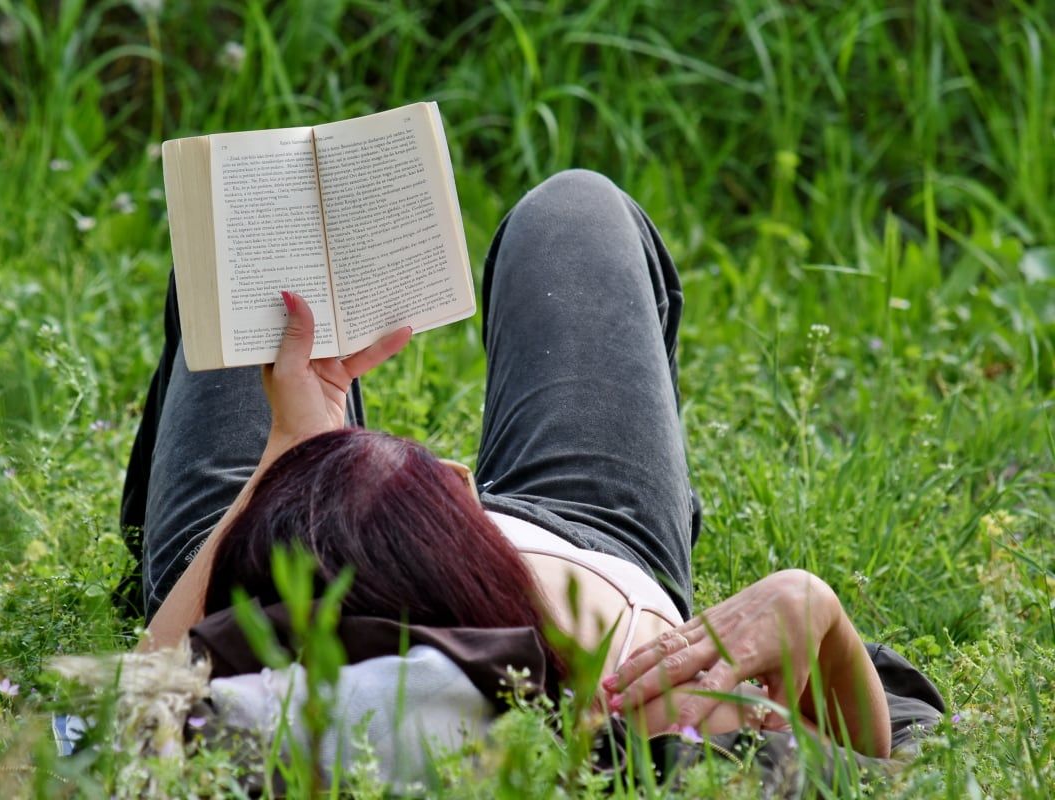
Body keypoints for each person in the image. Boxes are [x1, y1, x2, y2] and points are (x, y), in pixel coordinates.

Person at [121, 169, 897, 761]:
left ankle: (290, 483)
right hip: (596, 536)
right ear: (462, 538)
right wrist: (812, 606)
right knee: (575, 209)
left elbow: (137, 698)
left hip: (268, 542)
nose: (458, 470)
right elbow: (865, 773)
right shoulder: (632, 708)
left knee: (238, 277)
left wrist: (289, 457)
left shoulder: (222, 690)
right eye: (446, 486)